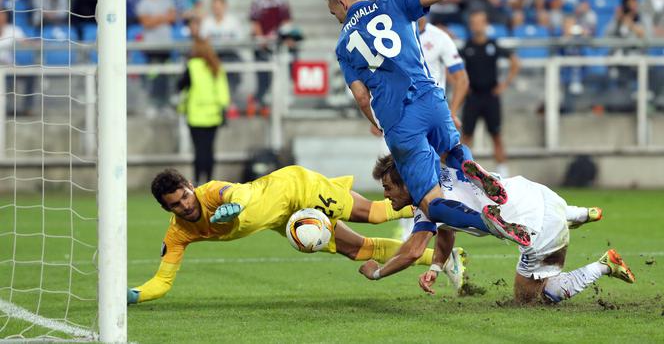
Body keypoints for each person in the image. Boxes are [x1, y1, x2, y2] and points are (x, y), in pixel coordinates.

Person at [324, 0, 529, 247]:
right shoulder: (394, 2)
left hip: (399, 119)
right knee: (450, 151)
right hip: (431, 97)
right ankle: (469, 165)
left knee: (430, 204)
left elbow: (361, 96)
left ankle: (486, 221)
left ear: (342, 2)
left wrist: (375, 123)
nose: (334, 17)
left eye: (333, 11)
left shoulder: (343, 45)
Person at [126, 165, 468, 304]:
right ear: (166, 209)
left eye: (186, 195)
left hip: (296, 187)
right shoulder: (178, 234)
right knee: (359, 250)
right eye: (177, 205)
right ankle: (446, 257)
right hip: (283, 218)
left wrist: (235, 207)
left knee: (377, 214)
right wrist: (133, 295)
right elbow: (163, 281)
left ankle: (435, 202)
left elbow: (239, 193)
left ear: (190, 186)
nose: (186, 205)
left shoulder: (212, 193)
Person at [362, 155, 634, 306]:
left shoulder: (426, 206)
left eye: (388, 188)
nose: (386, 196)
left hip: (536, 226)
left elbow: (412, 251)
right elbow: (446, 229)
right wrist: (435, 267)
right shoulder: (436, 179)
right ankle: (581, 213)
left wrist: (376, 273)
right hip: (536, 192)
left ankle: (605, 265)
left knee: (530, 299)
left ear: (407, 184)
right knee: (544, 210)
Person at [395, 0, 470, 241]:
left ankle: (444, 231)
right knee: (403, 172)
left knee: (441, 175)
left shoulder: (439, 38)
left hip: (427, 114)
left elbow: (461, 79)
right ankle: (415, 230)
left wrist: (450, 111)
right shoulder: (395, 37)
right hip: (401, 115)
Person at [460, 10, 520, 179]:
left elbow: (515, 62)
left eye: (479, 22)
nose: (476, 25)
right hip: (472, 97)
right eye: (473, 22)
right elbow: (453, 67)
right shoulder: (467, 47)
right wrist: (463, 87)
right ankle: (463, 172)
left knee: (496, 135)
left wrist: (505, 84)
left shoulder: (493, 45)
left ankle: (503, 173)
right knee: (466, 136)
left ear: (485, 24)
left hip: (490, 96)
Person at [177, 23, 230, 184]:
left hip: (195, 114)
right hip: (213, 114)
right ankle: (209, 182)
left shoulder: (192, 66)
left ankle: (197, 182)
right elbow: (223, 92)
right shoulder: (216, 67)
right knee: (209, 150)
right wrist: (223, 109)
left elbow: (180, 86)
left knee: (199, 151)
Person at [249, 0, 293, 114]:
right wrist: (262, 39)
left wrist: (282, 37)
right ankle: (260, 103)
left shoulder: (281, 2)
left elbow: (286, 22)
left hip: (277, 46)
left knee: (282, 75)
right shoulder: (258, 2)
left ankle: (279, 103)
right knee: (263, 77)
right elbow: (254, 23)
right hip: (262, 46)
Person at [201, 0, 245, 100]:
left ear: (225, 6)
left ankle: (231, 99)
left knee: (234, 65)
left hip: (230, 54)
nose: (217, 9)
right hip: (213, 56)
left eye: (219, 7)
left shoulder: (233, 21)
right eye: (215, 7)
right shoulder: (207, 22)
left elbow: (240, 40)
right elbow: (203, 41)